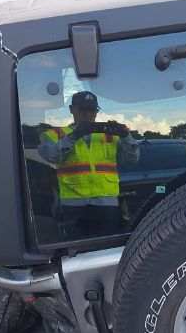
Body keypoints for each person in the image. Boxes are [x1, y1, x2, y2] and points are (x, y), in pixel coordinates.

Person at [37, 91, 140, 238]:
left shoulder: (110, 135)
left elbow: (133, 159)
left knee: (106, 250)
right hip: (73, 204)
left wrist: (126, 136)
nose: (88, 114)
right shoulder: (57, 134)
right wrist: (74, 136)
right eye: (83, 109)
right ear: (72, 109)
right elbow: (52, 156)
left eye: (92, 110)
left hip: (107, 203)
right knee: (76, 251)